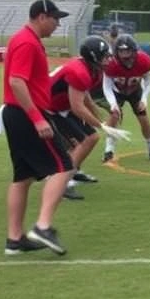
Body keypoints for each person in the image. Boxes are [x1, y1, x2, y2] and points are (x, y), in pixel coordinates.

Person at [0, 0, 72, 256]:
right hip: (27, 114)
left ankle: (14, 239)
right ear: (42, 16)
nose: (57, 24)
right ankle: (43, 226)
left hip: (17, 114)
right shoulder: (27, 42)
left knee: (23, 177)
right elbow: (17, 82)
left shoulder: (26, 40)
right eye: (55, 18)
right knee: (64, 166)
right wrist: (37, 118)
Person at [47, 35, 113, 200]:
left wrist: (100, 118)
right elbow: (77, 107)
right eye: (104, 55)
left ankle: (73, 172)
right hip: (49, 107)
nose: (108, 59)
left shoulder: (93, 70)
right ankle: (62, 184)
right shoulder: (79, 71)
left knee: (89, 138)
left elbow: (86, 97)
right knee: (85, 140)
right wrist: (101, 125)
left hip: (63, 106)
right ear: (94, 56)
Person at [102, 34, 150, 163]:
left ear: (134, 51)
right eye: (121, 51)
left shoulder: (143, 61)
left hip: (135, 90)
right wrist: (113, 104)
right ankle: (109, 150)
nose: (125, 56)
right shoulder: (111, 63)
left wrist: (144, 99)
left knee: (144, 119)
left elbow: (149, 81)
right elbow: (106, 86)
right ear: (116, 52)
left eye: (128, 51)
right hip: (116, 90)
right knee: (113, 116)